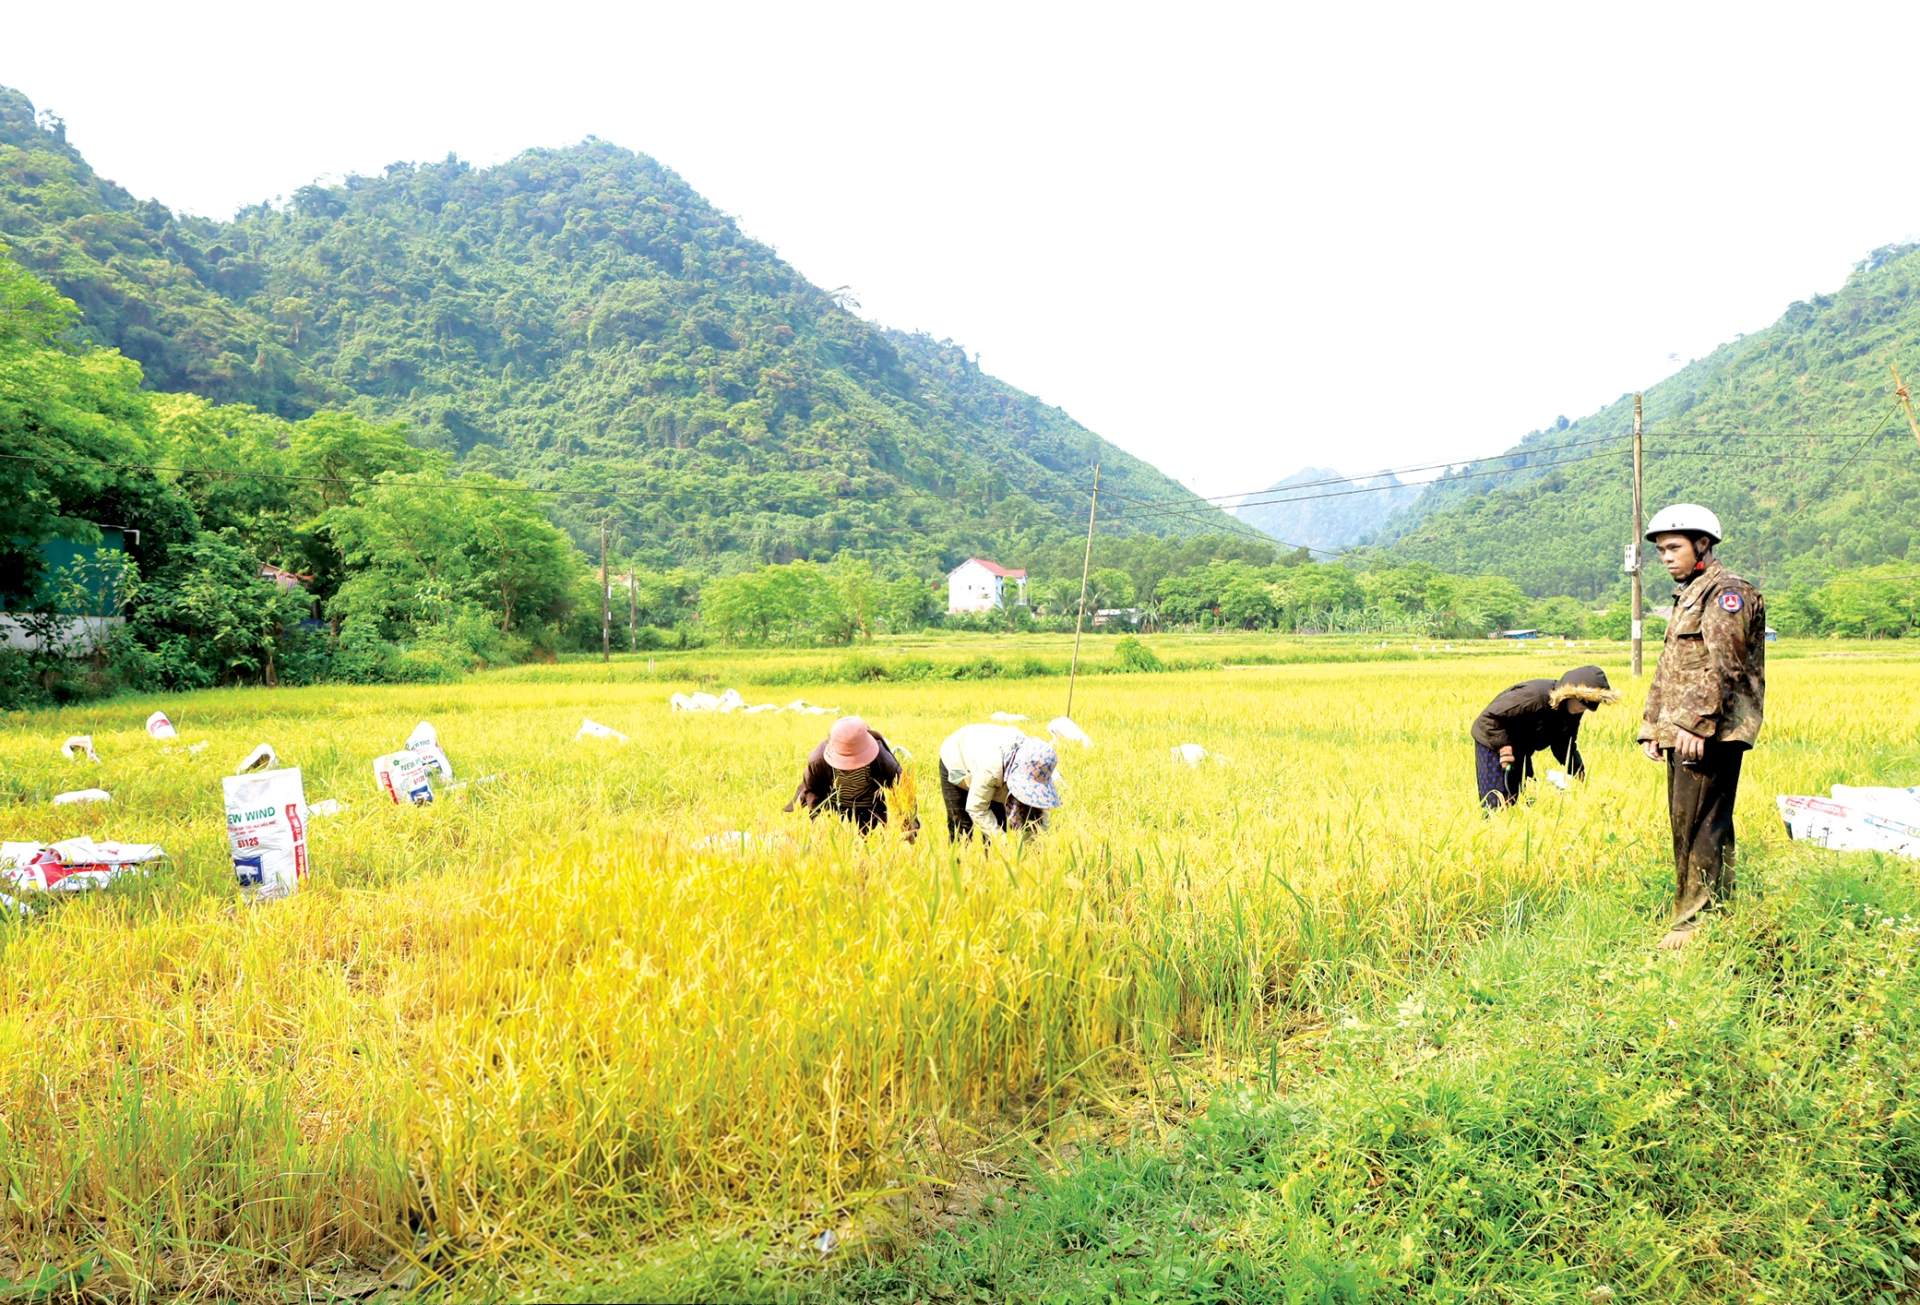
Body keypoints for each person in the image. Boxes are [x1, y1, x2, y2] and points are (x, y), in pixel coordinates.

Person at [1636, 504, 1766, 951]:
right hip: (1685, 728)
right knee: (1698, 822)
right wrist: (1653, 725)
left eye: (1674, 547)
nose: (1666, 557)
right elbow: (1670, 667)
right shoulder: (1689, 594)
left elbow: (1725, 665)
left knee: (1697, 825)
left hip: (1711, 730)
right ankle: (1719, 909)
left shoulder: (1726, 593)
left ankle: (1692, 923)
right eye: (1661, 551)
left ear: (1703, 545)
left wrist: (1697, 722)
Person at [1470, 665, 1620, 809]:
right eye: (1583, 703)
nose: (1584, 709)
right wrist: (1504, 746)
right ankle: (1493, 829)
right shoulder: (1533, 697)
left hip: (1521, 746)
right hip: (1492, 740)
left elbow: (1564, 744)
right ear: (1569, 695)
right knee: (1497, 801)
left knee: (1528, 793)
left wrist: (1578, 772)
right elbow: (1488, 719)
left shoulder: (1571, 712)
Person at [937, 723, 1062, 840]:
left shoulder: (1041, 767)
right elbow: (977, 808)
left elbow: (1040, 812)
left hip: (993, 772)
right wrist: (1003, 841)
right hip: (958, 757)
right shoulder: (992, 766)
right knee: (962, 829)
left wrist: (1035, 842)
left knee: (998, 825)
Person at [784, 716, 903, 833]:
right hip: (832, 808)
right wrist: (819, 819)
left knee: (866, 844)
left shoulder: (883, 761)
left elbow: (903, 794)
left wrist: (909, 825)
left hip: (868, 808)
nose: (851, 767)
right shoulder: (819, 760)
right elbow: (813, 790)